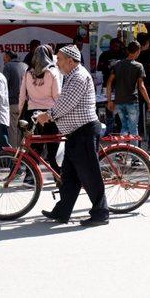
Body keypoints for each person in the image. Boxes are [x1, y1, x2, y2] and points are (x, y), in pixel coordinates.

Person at [36, 45, 109, 227]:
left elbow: (65, 104)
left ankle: (101, 213)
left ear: (70, 60)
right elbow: (64, 102)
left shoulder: (78, 76)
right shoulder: (71, 75)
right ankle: (62, 211)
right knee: (69, 176)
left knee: (90, 175)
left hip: (84, 132)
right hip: (75, 134)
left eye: (59, 59)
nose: (57, 62)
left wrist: (48, 116)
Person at [18, 45, 62, 174]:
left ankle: (31, 177)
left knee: (33, 147)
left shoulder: (27, 73)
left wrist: (22, 113)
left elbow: (22, 96)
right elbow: (57, 96)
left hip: (32, 114)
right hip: (49, 115)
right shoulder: (53, 72)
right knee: (52, 148)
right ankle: (57, 175)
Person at [106, 41, 150, 146]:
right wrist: (149, 102)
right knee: (133, 128)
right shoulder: (138, 66)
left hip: (119, 101)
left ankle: (121, 153)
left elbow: (109, 83)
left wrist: (109, 100)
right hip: (132, 101)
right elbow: (141, 86)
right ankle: (135, 158)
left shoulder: (117, 64)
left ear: (128, 51)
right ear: (138, 51)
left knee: (124, 127)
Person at [3, 50, 28, 146]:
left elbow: (4, 84)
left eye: (4, 58)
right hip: (24, 104)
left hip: (12, 102)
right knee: (22, 130)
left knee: (13, 130)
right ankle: (22, 154)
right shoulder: (25, 66)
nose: (4, 60)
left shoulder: (8, 66)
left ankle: (13, 156)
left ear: (9, 57)